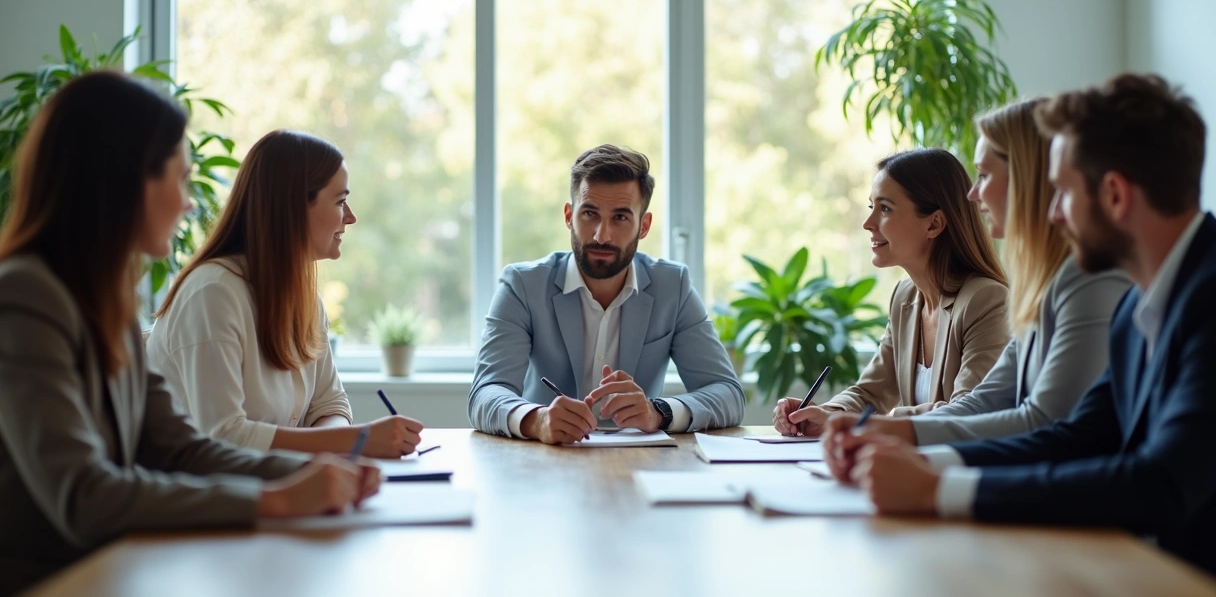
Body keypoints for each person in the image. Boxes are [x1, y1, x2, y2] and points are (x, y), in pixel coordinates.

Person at [0, 71, 380, 593]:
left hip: (116, 568)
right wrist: (275, 498)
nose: (188, 203)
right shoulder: (24, 296)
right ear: (122, 181)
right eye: (178, 179)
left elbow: (183, 450)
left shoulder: (107, 301)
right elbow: (83, 495)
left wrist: (313, 477)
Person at [825, 73, 1216, 575]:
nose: (1053, 213)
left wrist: (938, 488)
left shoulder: (1200, 299)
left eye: (1063, 193)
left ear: (1115, 196)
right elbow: (1073, 437)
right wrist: (914, 451)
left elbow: (1161, 483)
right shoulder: (1137, 309)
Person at [820, 99, 1130, 445]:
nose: (973, 193)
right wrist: (865, 424)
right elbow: (986, 403)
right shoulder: (1043, 286)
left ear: (1027, 181)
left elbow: (1041, 421)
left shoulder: (1078, 283)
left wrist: (894, 432)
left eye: (983, 175)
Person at [148, 130, 423, 458]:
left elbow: (329, 404)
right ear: (293, 208)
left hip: (271, 487)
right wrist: (354, 442)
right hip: (204, 497)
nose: (350, 217)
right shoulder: (213, 294)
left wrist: (330, 457)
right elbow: (222, 435)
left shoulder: (304, 298)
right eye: (340, 202)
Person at [468, 144, 744, 443]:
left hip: (640, 465)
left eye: (621, 217)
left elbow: (728, 394)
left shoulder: (672, 286)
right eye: (589, 214)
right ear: (568, 216)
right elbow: (485, 393)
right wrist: (537, 420)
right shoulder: (522, 285)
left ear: (644, 225)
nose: (602, 235)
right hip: (547, 458)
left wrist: (659, 412)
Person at [773, 149, 1009, 437]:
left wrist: (881, 421)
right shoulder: (905, 297)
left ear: (934, 223)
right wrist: (828, 414)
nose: (868, 223)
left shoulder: (986, 300)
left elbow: (971, 411)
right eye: (871, 206)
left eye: (884, 208)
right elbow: (870, 394)